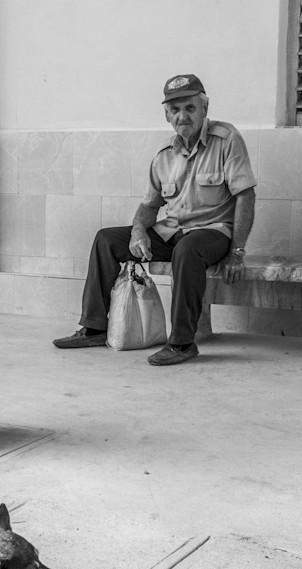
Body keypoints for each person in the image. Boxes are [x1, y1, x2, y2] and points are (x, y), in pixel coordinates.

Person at [53, 74, 257, 366]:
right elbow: (149, 206)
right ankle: (95, 327)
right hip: (172, 231)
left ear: (204, 108)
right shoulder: (164, 154)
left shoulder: (226, 139)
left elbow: (246, 196)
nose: (182, 115)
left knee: (187, 249)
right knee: (106, 239)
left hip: (213, 232)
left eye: (189, 107)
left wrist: (237, 252)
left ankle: (183, 343)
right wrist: (138, 232)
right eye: (175, 110)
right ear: (167, 115)